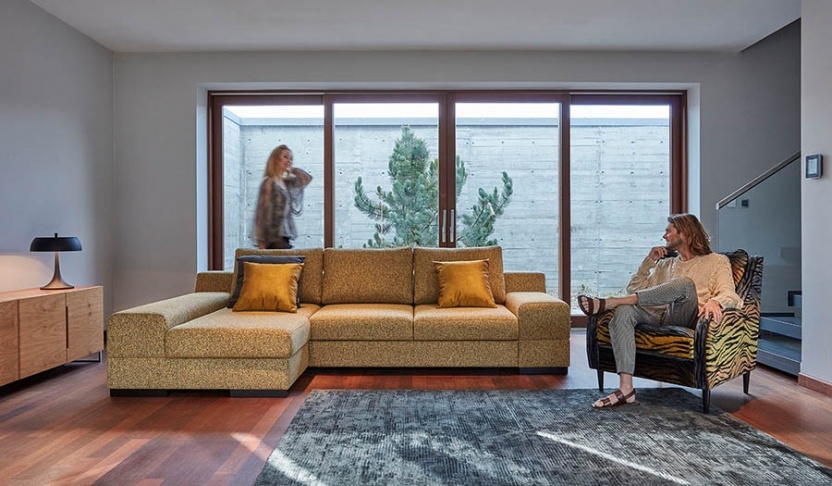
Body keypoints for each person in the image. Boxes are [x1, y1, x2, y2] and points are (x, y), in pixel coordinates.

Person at [577, 213, 742, 408]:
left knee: (684, 284)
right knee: (623, 311)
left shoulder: (717, 261)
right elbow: (635, 289)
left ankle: (611, 302)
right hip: (657, 314)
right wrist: (649, 261)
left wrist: (716, 302)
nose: (664, 236)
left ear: (685, 233)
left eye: (668, 231)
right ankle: (626, 389)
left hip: (686, 315)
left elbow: (731, 295)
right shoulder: (666, 264)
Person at [253, 145, 313, 249]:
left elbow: (306, 179)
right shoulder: (269, 182)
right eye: (285, 157)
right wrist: (261, 241)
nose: (289, 160)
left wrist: (292, 169)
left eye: (291, 159)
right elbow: (262, 213)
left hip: (285, 235)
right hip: (272, 237)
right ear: (276, 159)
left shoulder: (286, 183)